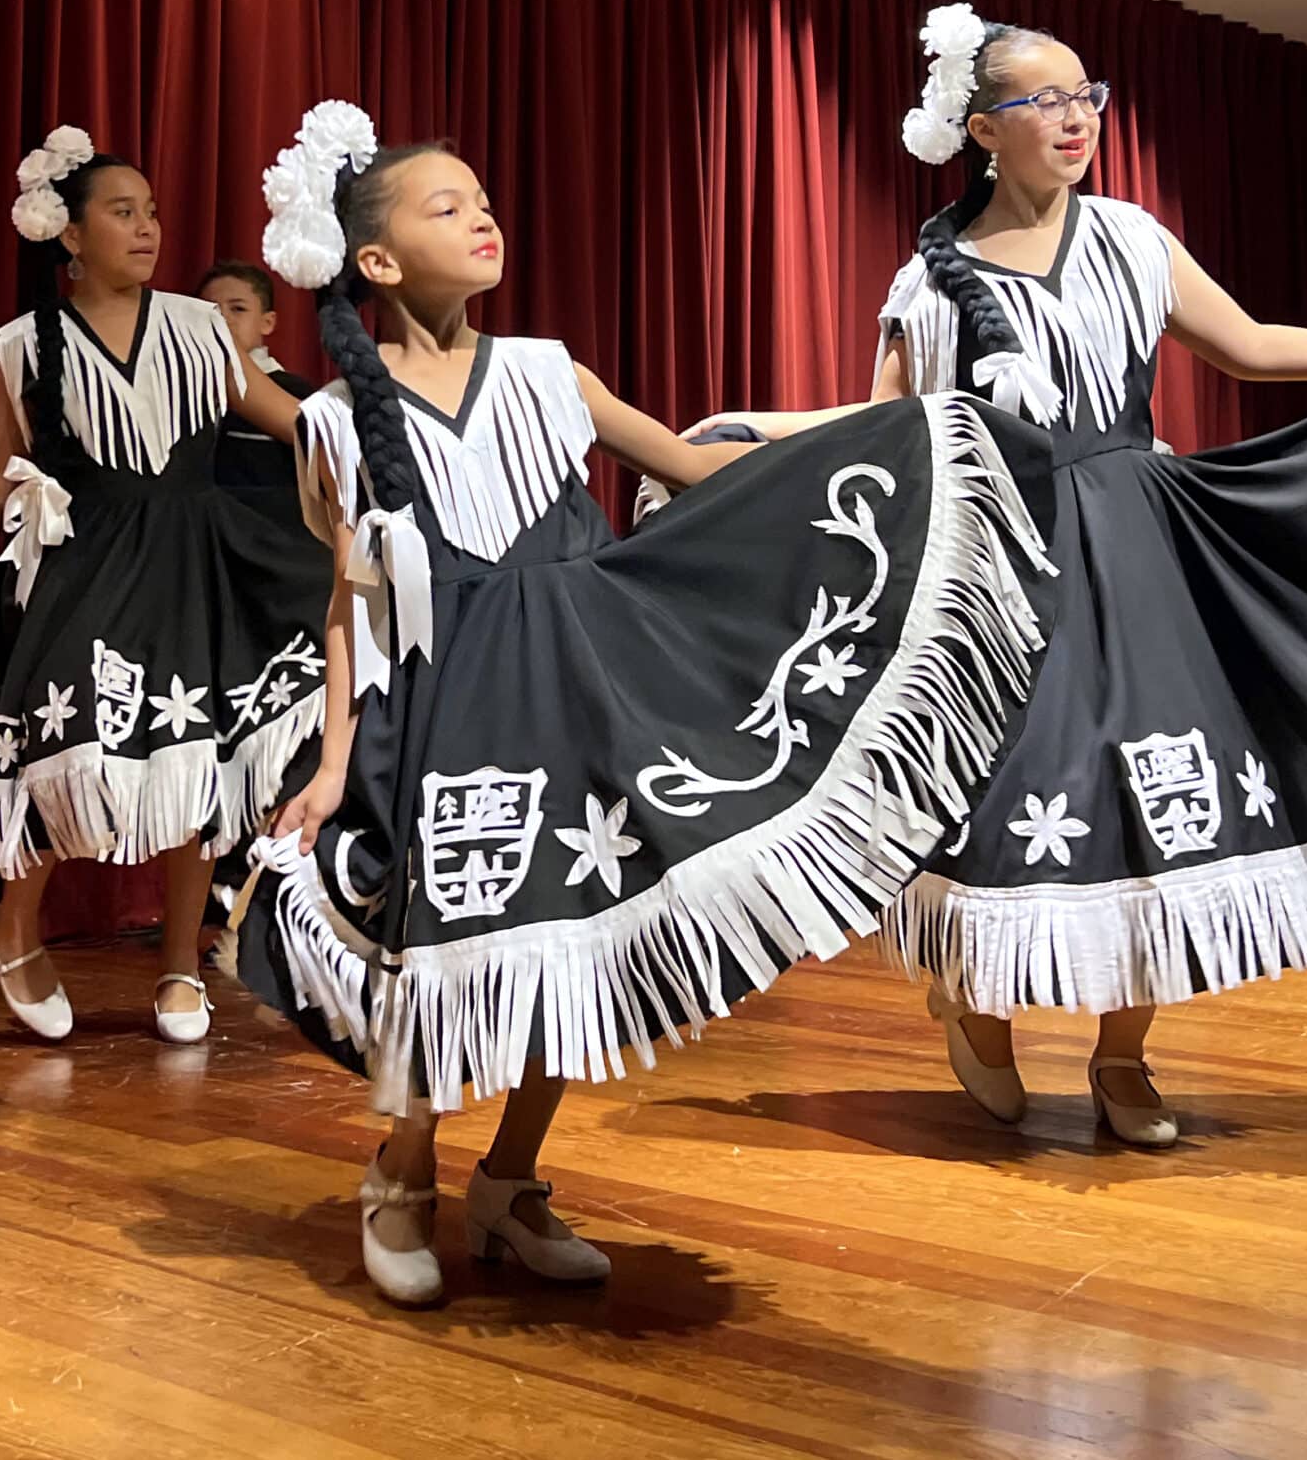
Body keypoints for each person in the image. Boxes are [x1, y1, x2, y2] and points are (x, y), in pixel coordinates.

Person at [708, 5, 1307, 1147]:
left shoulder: (1131, 238)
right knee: (1007, 788)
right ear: (982, 129)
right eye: (1045, 100)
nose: (1076, 117)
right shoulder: (928, 287)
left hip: (1142, 547)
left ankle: (1122, 1051)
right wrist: (751, 433)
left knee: (1154, 788)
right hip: (1006, 564)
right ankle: (978, 1004)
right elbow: (883, 423)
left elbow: (1251, 346)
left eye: (1085, 96)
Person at [229, 101, 1060, 1304]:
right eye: (446, 207)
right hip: (442, 717)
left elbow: (691, 466)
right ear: (377, 260)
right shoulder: (329, 425)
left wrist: (879, 432)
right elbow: (351, 606)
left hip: (579, 694)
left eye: (483, 202)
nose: (481, 219)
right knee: (439, 954)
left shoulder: (547, 373)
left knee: (578, 948)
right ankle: (400, 1173)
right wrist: (327, 764)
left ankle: (510, 1182)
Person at [0, 129, 326, 1045]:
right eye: (123, 212)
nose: (147, 228)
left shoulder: (200, 327)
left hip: (192, 565)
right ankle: (15, 921)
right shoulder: (25, 347)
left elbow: (290, 421)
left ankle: (179, 965)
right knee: (62, 757)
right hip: (84, 569)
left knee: (195, 769)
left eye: (152, 211)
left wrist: (374, 458)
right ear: (72, 234)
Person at [200, 259, 315, 515]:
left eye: (238, 309)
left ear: (268, 322)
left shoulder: (295, 393)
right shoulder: (181, 390)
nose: (222, 319)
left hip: (267, 529)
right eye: (210, 310)